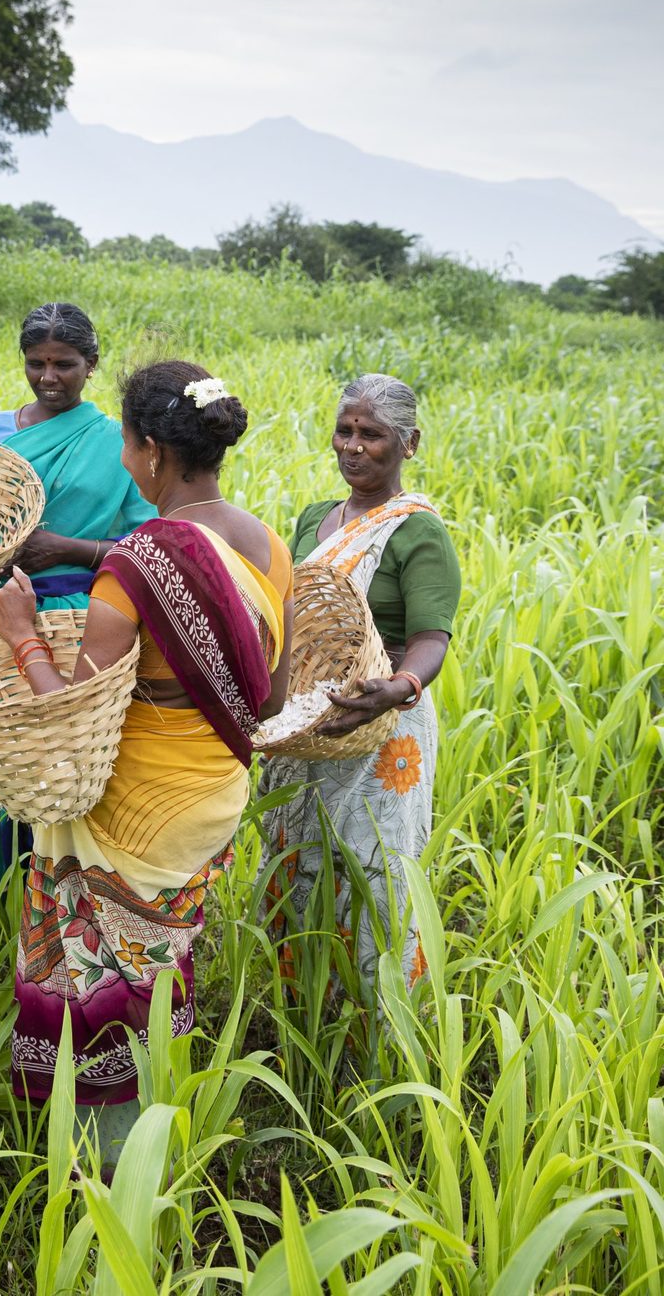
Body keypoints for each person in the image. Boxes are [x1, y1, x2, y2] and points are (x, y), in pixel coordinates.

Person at [0, 360, 292, 1169]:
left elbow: (72, 716)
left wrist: (20, 630)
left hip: (129, 805)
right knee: (162, 960)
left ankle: (108, 1164)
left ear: (153, 451)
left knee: (101, 974)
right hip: (211, 799)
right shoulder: (269, 544)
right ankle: (162, 1127)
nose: (124, 460)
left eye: (126, 445)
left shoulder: (136, 562)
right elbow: (270, 699)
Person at [258, 373, 461, 988]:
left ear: (409, 443)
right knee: (297, 862)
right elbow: (294, 613)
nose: (352, 446)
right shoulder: (315, 519)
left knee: (378, 872)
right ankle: (304, 1013)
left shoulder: (417, 531)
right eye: (344, 431)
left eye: (370, 434)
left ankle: (382, 1030)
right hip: (311, 719)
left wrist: (396, 688)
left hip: (384, 724)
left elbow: (431, 637)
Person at [0, 301, 156, 876]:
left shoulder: (113, 440)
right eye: (36, 363)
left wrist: (68, 549)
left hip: (79, 618)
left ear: (91, 365)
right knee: (7, 759)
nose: (49, 378)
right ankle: (9, 893)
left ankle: (72, 891)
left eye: (64, 364)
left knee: (67, 760)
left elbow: (148, 543)